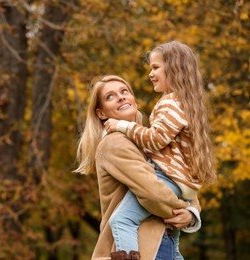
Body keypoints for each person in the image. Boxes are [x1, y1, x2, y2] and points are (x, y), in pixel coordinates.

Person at [104, 41, 215, 259]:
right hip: (176, 186)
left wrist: (122, 125)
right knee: (174, 246)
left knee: (121, 220)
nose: (150, 74)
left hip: (168, 180)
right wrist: (191, 212)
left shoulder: (170, 104)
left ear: (174, 69)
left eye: (155, 67)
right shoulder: (184, 104)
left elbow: (154, 140)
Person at [74, 75, 201, 260]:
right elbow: (153, 194)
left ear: (133, 99)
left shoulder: (148, 140)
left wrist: (191, 212)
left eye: (124, 91)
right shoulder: (115, 143)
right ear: (101, 113)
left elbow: (181, 180)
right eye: (110, 96)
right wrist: (186, 211)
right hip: (142, 247)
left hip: (165, 242)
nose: (121, 97)